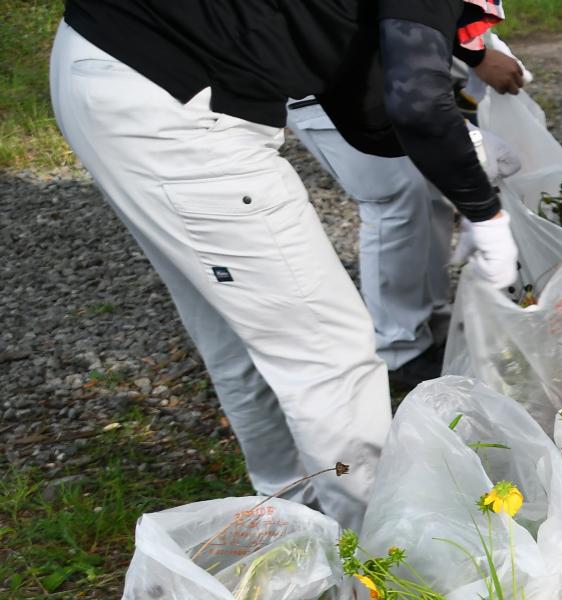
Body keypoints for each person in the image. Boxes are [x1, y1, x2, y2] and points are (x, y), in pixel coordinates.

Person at [49, 0, 521, 526]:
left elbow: (356, 86)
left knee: (242, 335)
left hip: (110, 69)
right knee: (329, 352)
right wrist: (485, 214)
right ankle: (388, 561)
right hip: (174, 106)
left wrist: (462, 144)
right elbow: (412, 95)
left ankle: (292, 524)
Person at [286, 13, 530, 393]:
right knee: (393, 200)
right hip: (333, 80)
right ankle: (399, 349)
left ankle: (430, 317)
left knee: (428, 190)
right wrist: (486, 215)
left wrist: (476, 52)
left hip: (382, 66)